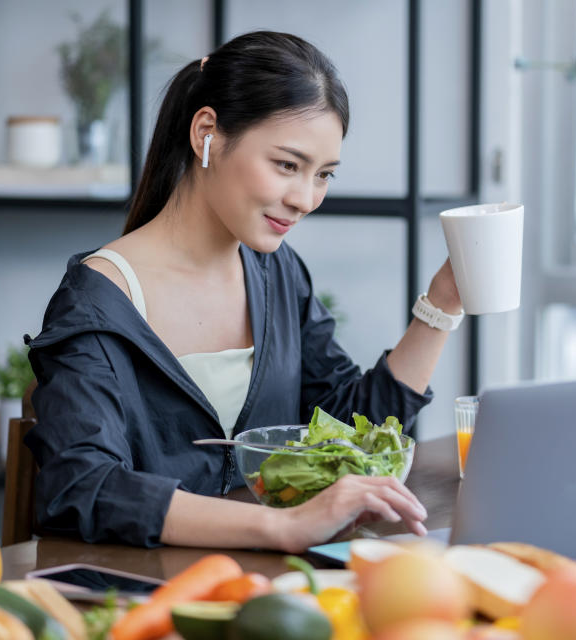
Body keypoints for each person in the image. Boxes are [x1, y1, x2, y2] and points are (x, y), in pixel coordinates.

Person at [24, 31, 464, 552]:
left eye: (323, 174)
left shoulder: (277, 275)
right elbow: (81, 486)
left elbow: (345, 432)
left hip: (274, 584)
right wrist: (280, 527)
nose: (305, 198)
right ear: (206, 131)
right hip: (149, 594)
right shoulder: (98, 302)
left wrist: (441, 304)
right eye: (286, 165)